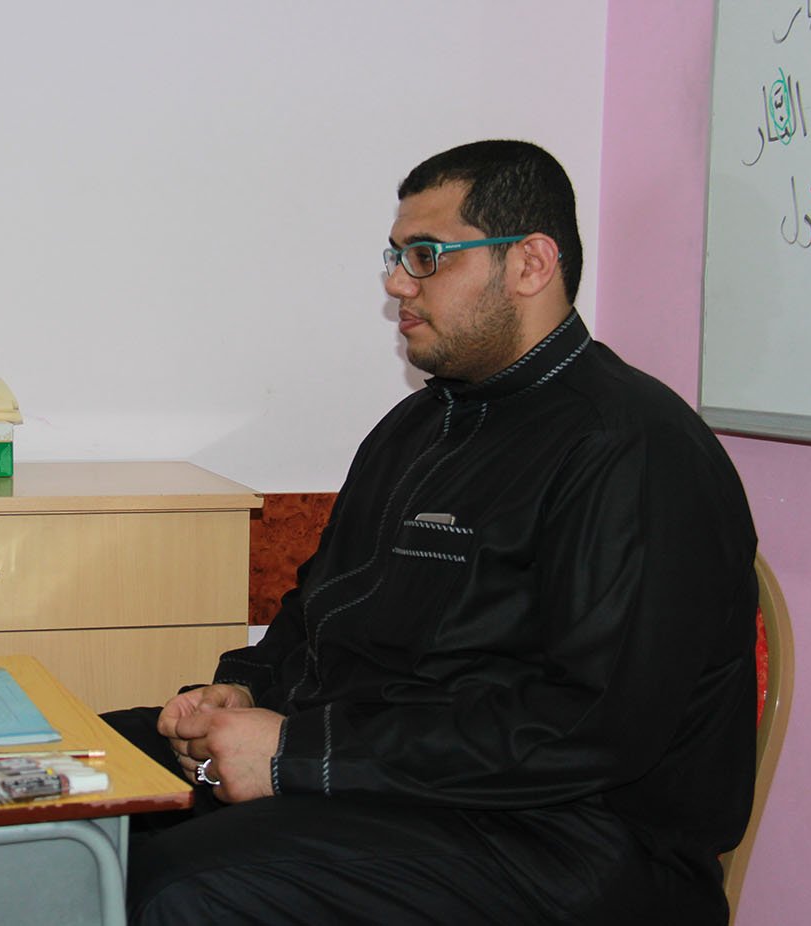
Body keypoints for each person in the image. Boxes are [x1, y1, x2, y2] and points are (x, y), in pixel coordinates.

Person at [104, 139, 758, 925]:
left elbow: (589, 729)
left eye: (425, 255)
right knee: (72, 778)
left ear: (529, 263)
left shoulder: (631, 449)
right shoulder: (416, 426)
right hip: (398, 790)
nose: (395, 282)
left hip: (572, 845)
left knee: (178, 886)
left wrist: (296, 756)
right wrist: (242, 690)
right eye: (395, 255)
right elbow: (318, 612)